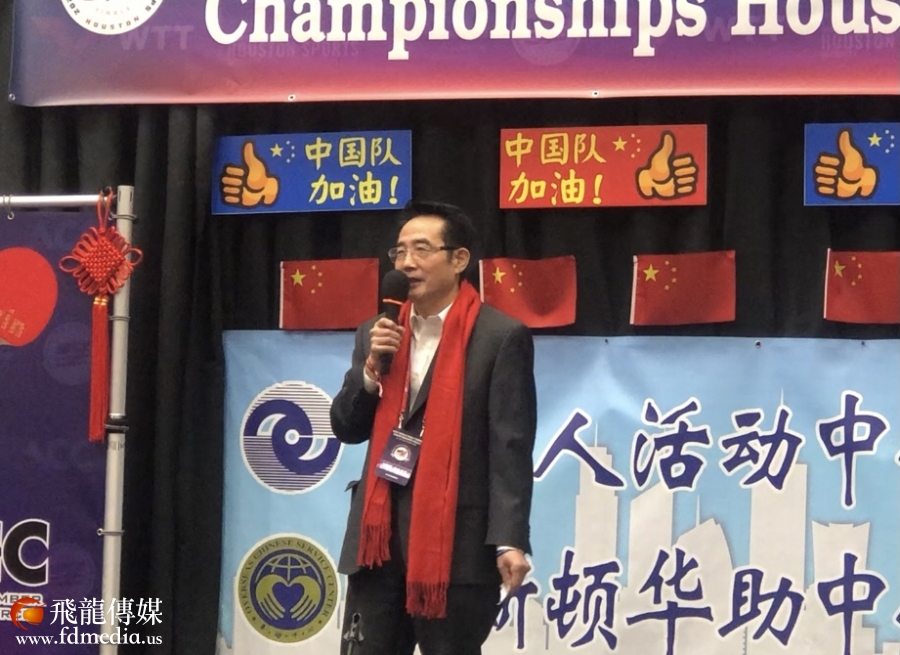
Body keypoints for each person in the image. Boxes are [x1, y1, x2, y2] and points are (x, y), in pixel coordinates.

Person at [330, 200, 537, 655]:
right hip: (378, 544)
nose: (406, 263)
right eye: (399, 251)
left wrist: (509, 539)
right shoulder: (376, 331)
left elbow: (510, 446)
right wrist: (371, 369)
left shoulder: (499, 336)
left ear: (459, 259)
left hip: (456, 546)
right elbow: (347, 427)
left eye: (421, 249)